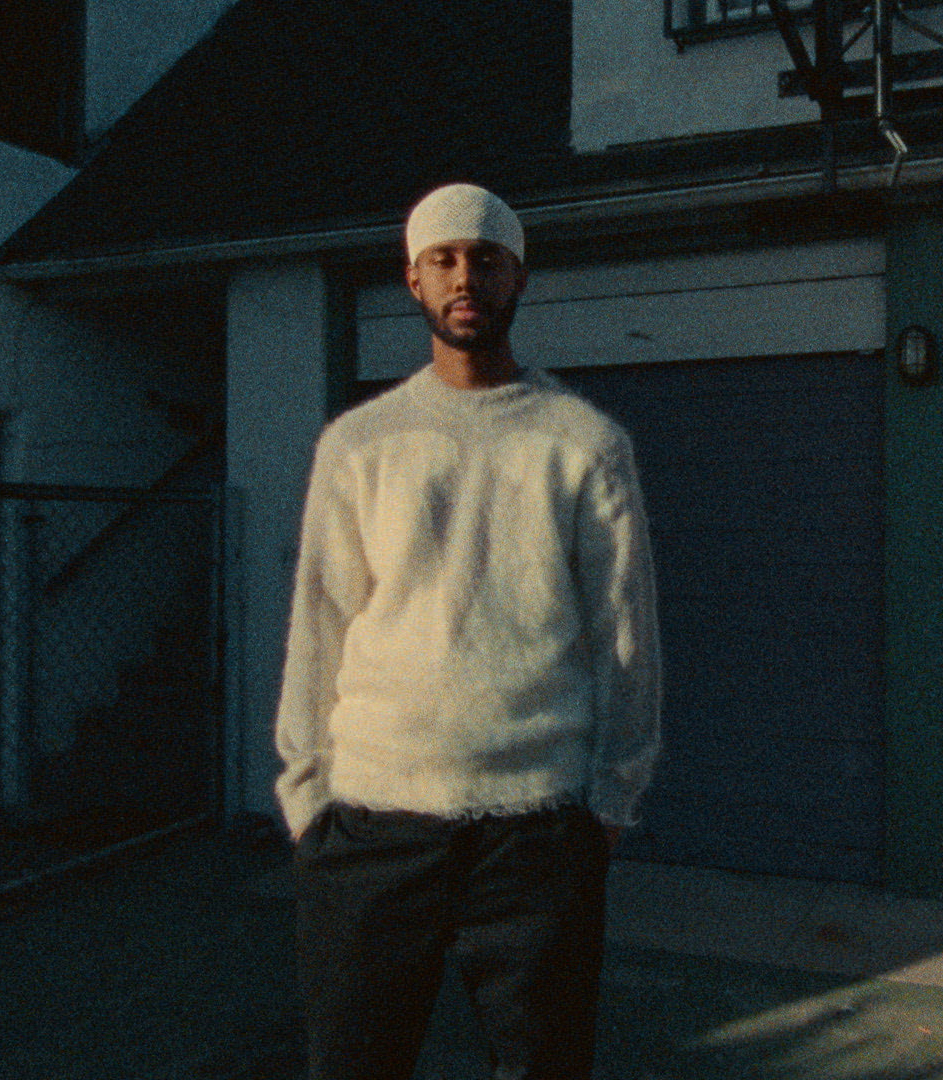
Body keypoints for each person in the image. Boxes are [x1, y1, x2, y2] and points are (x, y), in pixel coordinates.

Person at [273, 182, 661, 1080]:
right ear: (412, 279)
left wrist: (610, 800)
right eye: (442, 259)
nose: (464, 278)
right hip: (372, 827)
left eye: (486, 259)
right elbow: (319, 622)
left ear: (517, 276)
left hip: (536, 832)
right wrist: (306, 797)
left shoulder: (581, 443)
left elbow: (625, 635)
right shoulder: (361, 445)